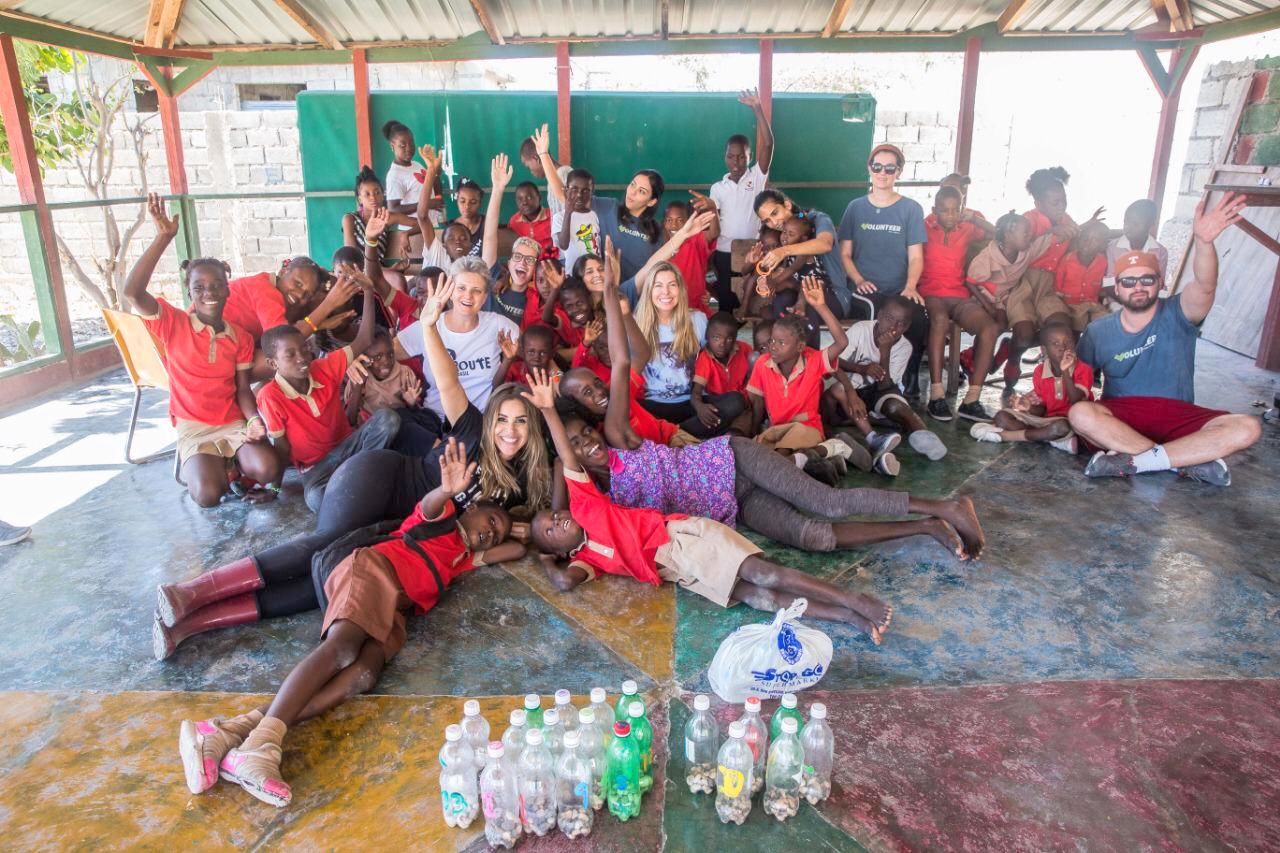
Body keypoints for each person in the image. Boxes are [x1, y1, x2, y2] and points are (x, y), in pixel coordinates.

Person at [152, 278, 548, 658]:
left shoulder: (518, 483)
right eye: (503, 419)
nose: (509, 431)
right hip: (381, 480)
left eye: (521, 422)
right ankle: (194, 592)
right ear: (491, 418)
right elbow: (448, 385)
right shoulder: (473, 429)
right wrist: (428, 325)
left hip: (400, 526)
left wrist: (547, 411)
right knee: (327, 545)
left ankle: (193, 624)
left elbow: (535, 516)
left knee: (333, 577)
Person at [178, 438, 525, 805]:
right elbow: (430, 505)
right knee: (341, 648)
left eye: (496, 532)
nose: (491, 531)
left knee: (362, 676)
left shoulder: (462, 558)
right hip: (373, 572)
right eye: (489, 519)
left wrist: (516, 528)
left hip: (394, 607)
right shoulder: (442, 523)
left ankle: (231, 731)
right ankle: (263, 743)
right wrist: (447, 491)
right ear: (469, 510)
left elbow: (517, 548)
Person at [554, 274, 986, 562]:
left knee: (825, 502)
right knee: (812, 537)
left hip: (732, 460)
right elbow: (563, 483)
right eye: (584, 397)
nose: (596, 395)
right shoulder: (594, 480)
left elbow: (623, 361)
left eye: (595, 386)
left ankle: (946, 506)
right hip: (730, 504)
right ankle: (925, 527)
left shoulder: (617, 438)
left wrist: (610, 293)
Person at [525, 368, 895, 645]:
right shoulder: (586, 559)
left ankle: (854, 600)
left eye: (554, 514)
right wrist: (544, 554)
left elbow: (567, 459)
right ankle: (848, 617)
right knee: (758, 596)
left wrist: (547, 411)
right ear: (564, 550)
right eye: (551, 529)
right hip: (675, 572)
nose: (558, 517)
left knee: (767, 574)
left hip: (683, 537)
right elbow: (562, 580)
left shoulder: (587, 506)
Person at [1070, 194, 1262, 486]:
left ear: (1160, 283)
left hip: (1180, 418)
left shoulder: (1179, 312)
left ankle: (1139, 460)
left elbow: (1205, 286)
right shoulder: (1098, 331)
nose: (1138, 287)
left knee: (1248, 427)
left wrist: (1204, 242)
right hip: (1122, 420)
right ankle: (1179, 463)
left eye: (1147, 280)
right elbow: (1079, 386)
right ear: (1117, 288)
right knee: (1081, 414)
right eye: (1129, 281)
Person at [126, 194, 282, 508]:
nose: (208, 293)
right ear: (189, 292)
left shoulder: (237, 336)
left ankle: (233, 465)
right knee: (208, 497)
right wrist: (163, 238)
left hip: (231, 422)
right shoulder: (173, 323)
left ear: (227, 288)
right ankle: (225, 469)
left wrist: (253, 419)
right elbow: (132, 292)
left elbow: (242, 389)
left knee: (270, 468)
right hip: (194, 427)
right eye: (199, 287)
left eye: (216, 286)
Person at [256, 271, 404, 512]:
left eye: (304, 349)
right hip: (315, 468)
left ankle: (356, 480)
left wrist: (368, 292)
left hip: (349, 449)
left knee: (388, 419)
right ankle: (363, 482)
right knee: (315, 498)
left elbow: (364, 339)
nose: (302, 358)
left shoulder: (323, 368)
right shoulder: (270, 396)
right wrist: (273, 489)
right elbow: (282, 448)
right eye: (290, 355)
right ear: (273, 364)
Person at [837, 143, 928, 395]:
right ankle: (865, 376)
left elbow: (916, 256)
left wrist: (910, 286)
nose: (883, 172)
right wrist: (858, 279)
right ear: (869, 168)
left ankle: (908, 375)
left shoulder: (911, 209)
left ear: (899, 172)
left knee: (917, 316)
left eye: (890, 168)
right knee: (876, 315)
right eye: (877, 166)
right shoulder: (855, 207)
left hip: (898, 288)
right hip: (865, 287)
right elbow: (844, 253)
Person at [824, 296, 948, 469]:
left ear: (907, 326)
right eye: (889, 319)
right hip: (850, 389)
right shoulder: (861, 330)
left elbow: (885, 386)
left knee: (897, 407)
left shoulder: (905, 347)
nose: (893, 327)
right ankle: (873, 426)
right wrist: (862, 369)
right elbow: (834, 360)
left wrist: (885, 351)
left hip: (878, 390)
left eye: (901, 323)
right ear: (880, 316)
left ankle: (923, 434)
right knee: (833, 396)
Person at [393, 255, 520, 418]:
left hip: (481, 420)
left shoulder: (497, 325)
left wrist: (555, 376)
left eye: (476, 291)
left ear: (485, 297)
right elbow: (385, 354)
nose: (468, 296)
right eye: (461, 288)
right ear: (450, 290)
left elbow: (533, 349)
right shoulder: (429, 324)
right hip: (436, 418)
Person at [633, 261, 745, 438]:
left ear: (680, 289)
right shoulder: (636, 324)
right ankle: (684, 435)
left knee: (736, 402)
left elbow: (717, 353)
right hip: (655, 405)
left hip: (693, 403)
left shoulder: (697, 319)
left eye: (672, 285)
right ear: (649, 290)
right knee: (627, 412)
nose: (666, 292)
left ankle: (674, 435)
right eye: (658, 286)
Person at [746, 278, 851, 465]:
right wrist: (754, 433)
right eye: (772, 341)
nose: (773, 347)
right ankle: (825, 455)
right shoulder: (763, 363)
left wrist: (820, 307)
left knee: (781, 457)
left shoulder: (814, 361)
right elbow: (757, 404)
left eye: (782, 343)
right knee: (755, 454)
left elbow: (841, 342)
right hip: (777, 429)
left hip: (806, 429)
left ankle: (822, 452)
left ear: (800, 346)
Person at [1001, 166, 1085, 397]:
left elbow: (1076, 246)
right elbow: (1023, 248)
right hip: (1025, 283)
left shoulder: (1068, 220)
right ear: (1038, 203)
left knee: (1061, 329)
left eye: (1063, 201)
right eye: (1054, 202)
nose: (1061, 207)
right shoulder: (1029, 220)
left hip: (1050, 286)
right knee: (1026, 333)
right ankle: (1014, 356)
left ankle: (1057, 385)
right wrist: (1053, 232)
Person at [919, 186, 1000, 423]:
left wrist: (973, 218)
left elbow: (1000, 233)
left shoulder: (967, 227)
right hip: (931, 293)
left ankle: (971, 400)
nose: (951, 215)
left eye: (956, 210)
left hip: (959, 294)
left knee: (990, 328)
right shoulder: (923, 226)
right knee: (940, 320)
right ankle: (936, 395)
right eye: (945, 210)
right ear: (935, 210)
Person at [970, 322, 1089, 452]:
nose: (1063, 348)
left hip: (1070, 422)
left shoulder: (1083, 368)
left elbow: (1076, 401)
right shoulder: (1040, 371)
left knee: (1061, 427)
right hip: (1045, 421)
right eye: (1056, 344)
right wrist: (1029, 407)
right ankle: (1051, 438)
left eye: (1068, 342)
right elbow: (1043, 409)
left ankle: (1006, 436)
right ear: (1044, 350)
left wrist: (1065, 372)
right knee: (1001, 417)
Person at [709, 89, 775, 313]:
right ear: (724, 156)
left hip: (753, 250)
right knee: (727, 305)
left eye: (741, 156)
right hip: (724, 252)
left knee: (757, 303)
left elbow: (767, 145)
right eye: (730, 156)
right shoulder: (717, 188)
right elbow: (713, 223)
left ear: (749, 157)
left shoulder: (756, 177)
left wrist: (758, 109)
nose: (735, 161)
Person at [753, 190, 852, 318]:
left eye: (775, 213)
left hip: (833, 294)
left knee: (800, 317)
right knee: (781, 305)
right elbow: (786, 272)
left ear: (787, 205)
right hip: (799, 289)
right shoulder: (781, 233)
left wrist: (784, 251)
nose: (774, 222)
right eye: (767, 220)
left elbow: (825, 244)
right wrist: (766, 282)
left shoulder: (818, 219)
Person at [343, 329, 440, 451]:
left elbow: (416, 412)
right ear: (364, 358)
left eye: (390, 354)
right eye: (377, 357)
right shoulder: (358, 378)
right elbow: (350, 420)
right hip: (378, 437)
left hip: (405, 429)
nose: (386, 361)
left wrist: (411, 403)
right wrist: (358, 386)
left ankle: (438, 449)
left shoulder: (404, 373)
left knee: (411, 418)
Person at [341, 167, 418, 291]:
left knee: (398, 279)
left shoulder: (387, 217)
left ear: (383, 195)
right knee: (396, 278)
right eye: (367, 194)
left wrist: (406, 234)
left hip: (378, 273)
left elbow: (420, 223)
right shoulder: (350, 219)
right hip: (358, 273)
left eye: (377, 192)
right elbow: (353, 259)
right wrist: (389, 270)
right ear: (359, 199)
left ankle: (397, 311)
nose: (373, 197)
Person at [595, 169, 666, 281]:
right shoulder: (609, 207)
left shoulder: (656, 232)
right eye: (632, 184)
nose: (632, 192)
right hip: (603, 291)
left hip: (634, 295)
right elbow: (567, 197)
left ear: (651, 202)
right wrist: (555, 170)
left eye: (641, 191)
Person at [691, 312, 753, 434]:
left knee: (735, 432)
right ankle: (681, 430)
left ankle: (728, 433)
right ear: (707, 336)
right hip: (720, 404)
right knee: (731, 403)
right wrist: (700, 407)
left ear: (735, 339)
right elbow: (695, 393)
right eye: (716, 338)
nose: (722, 344)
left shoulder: (744, 349)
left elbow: (755, 378)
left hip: (744, 406)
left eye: (729, 339)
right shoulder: (705, 358)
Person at [663, 198, 719, 316]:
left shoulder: (695, 240)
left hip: (695, 308)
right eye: (669, 220)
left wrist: (712, 209)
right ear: (664, 223)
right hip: (669, 309)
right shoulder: (660, 246)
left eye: (680, 220)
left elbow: (713, 233)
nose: (674, 225)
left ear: (688, 222)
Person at [381, 119, 443, 226]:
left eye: (411, 143)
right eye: (402, 145)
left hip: (431, 226)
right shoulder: (394, 175)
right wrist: (426, 204)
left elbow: (435, 187)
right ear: (392, 146)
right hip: (413, 231)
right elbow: (393, 209)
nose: (409, 148)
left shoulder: (417, 165)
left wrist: (434, 167)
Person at [1054, 219, 1111, 334]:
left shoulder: (1103, 262)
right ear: (1079, 238)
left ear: (1103, 245)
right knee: (1079, 319)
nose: (1087, 242)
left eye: (1095, 240)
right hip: (1070, 305)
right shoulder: (1067, 260)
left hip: (1092, 304)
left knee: (1107, 321)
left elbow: (1102, 288)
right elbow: (1057, 290)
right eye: (1085, 238)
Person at [1104, 198, 1169, 291]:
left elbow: (1159, 285)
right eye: (1126, 222)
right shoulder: (1113, 248)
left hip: (1146, 300)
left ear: (1150, 225)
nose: (1128, 227)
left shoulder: (1160, 252)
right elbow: (1109, 284)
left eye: (1135, 224)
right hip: (1117, 301)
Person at [553, 167, 603, 273]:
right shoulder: (560, 217)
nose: (579, 195)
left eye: (585, 191)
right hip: (573, 273)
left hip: (595, 273)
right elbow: (563, 244)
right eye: (574, 189)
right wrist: (568, 213)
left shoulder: (594, 215)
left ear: (592, 192)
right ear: (566, 190)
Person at [493, 323, 559, 388]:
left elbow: (560, 386)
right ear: (523, 351)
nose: (536, 358)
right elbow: (496, 387)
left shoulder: (553, 372)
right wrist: (507, 360)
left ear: (552, 354)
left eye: (543, 353)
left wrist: (554, 370)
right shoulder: (515, 369)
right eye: (531, 352)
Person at [509, 180, 554, 258]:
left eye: (529, 197)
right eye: (520, 199)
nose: (524, 202)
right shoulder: (514, 221)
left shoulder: (552, 216)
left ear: (539, 197)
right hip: (527, 263)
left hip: (551, 260)